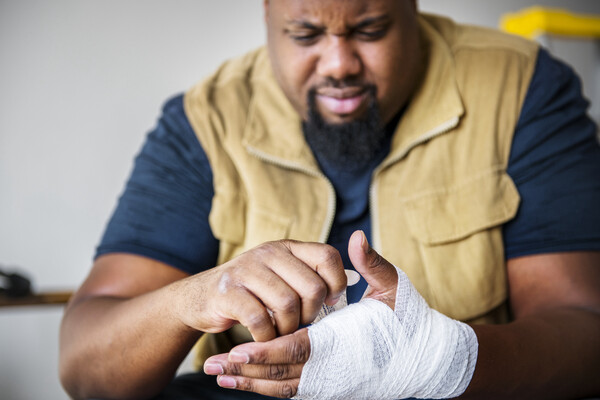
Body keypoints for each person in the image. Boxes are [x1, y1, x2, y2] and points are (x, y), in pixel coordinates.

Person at [59, 0, 600, 399]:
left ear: (414, 10)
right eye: (305, 33)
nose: (339, 63)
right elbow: (86, 371)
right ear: (268, 18)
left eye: (369, 29)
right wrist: (191, 300)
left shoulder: (520, 86)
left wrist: (436, 358)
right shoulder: (207, 119)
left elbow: (583, 333)